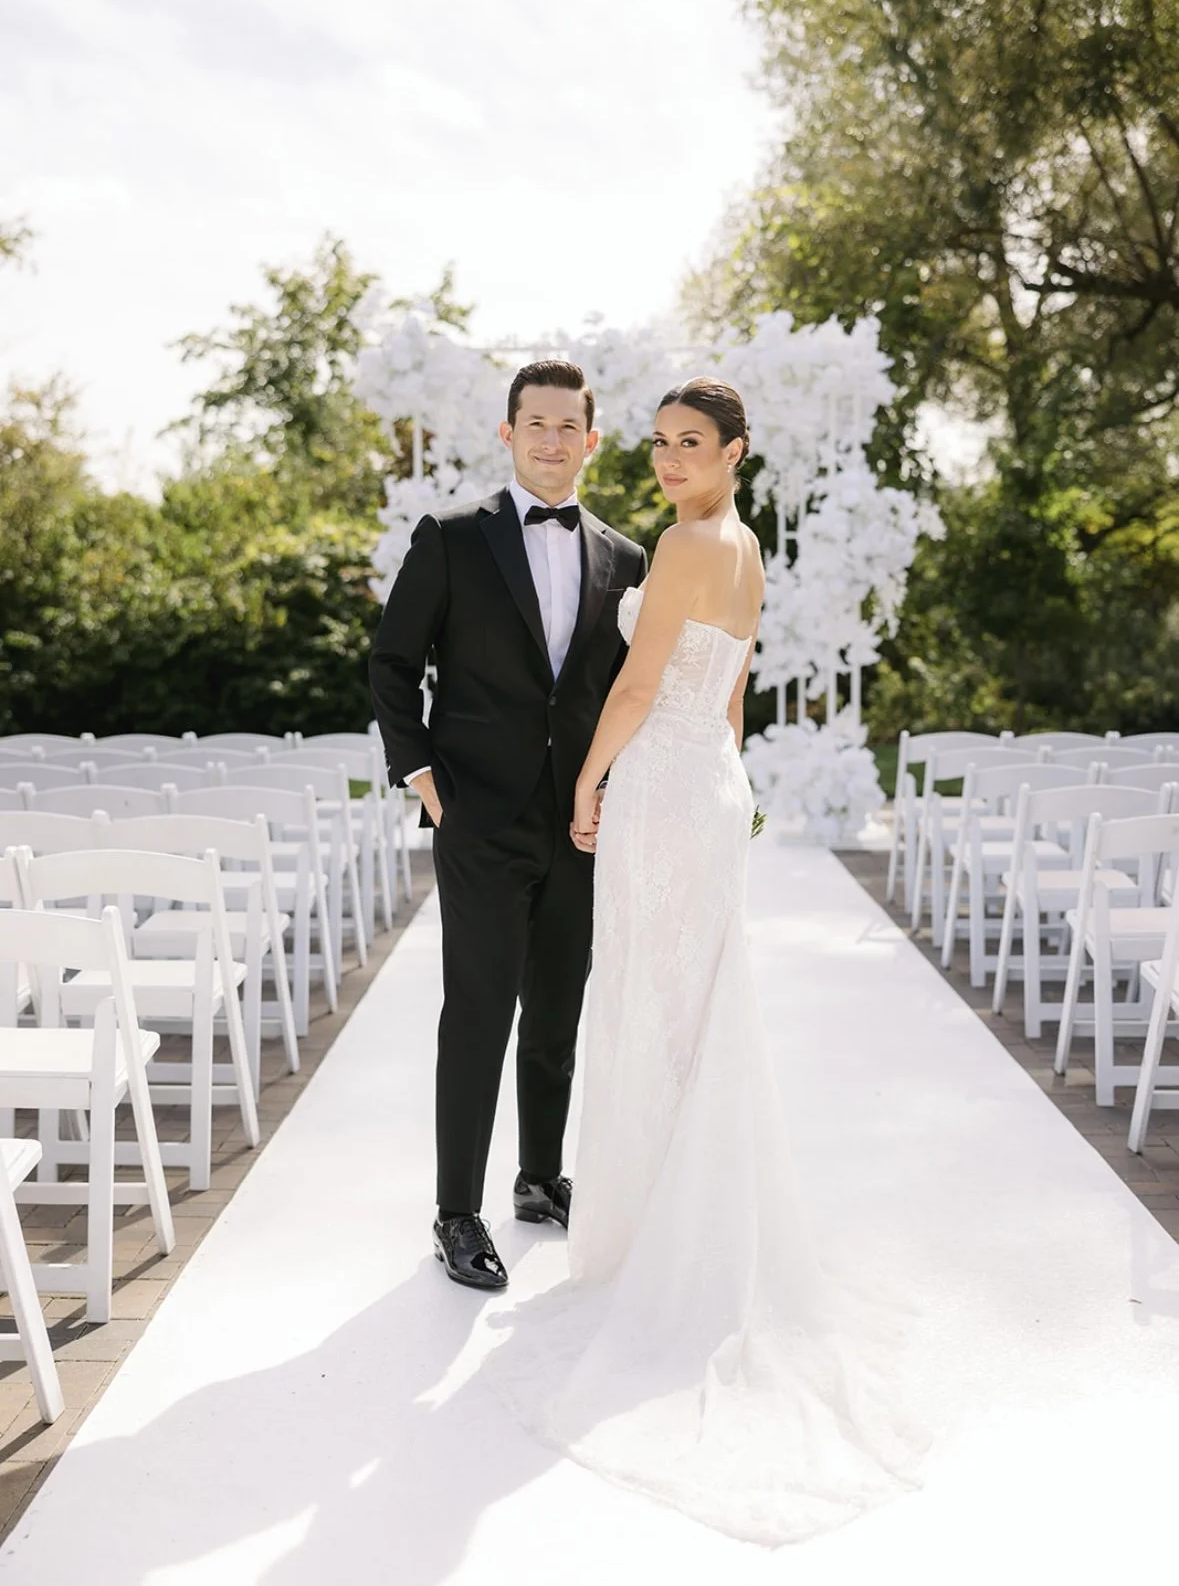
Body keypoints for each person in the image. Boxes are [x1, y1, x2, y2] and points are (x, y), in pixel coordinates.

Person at [485, 378, 928, 1546]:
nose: (671, 459)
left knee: (654, 1008)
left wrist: (588, 780)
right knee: (689, 1008)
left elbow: (641, 685)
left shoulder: (687, 545)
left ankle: (660, 1255)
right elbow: (730, 697)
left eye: (694, 444)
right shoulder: (747, 550)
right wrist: (716, 790)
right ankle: (681, 1230)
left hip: (663, 787)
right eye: (663, 443)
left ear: (736, 452)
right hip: (706, 784)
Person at [368, 360, 647, 1291]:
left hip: (579, 822)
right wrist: (421, 775)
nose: (552, 440)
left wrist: (614, 792)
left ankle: (538, 1176)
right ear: (508, 432)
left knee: (558, 1010)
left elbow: (624, 693)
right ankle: (456, 1211)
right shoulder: (450, 538)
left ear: (591, 440)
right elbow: (392, 662)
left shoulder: (626, 558)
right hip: (478, 816)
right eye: (536, 423)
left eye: (569, 425)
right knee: (479, 1012)